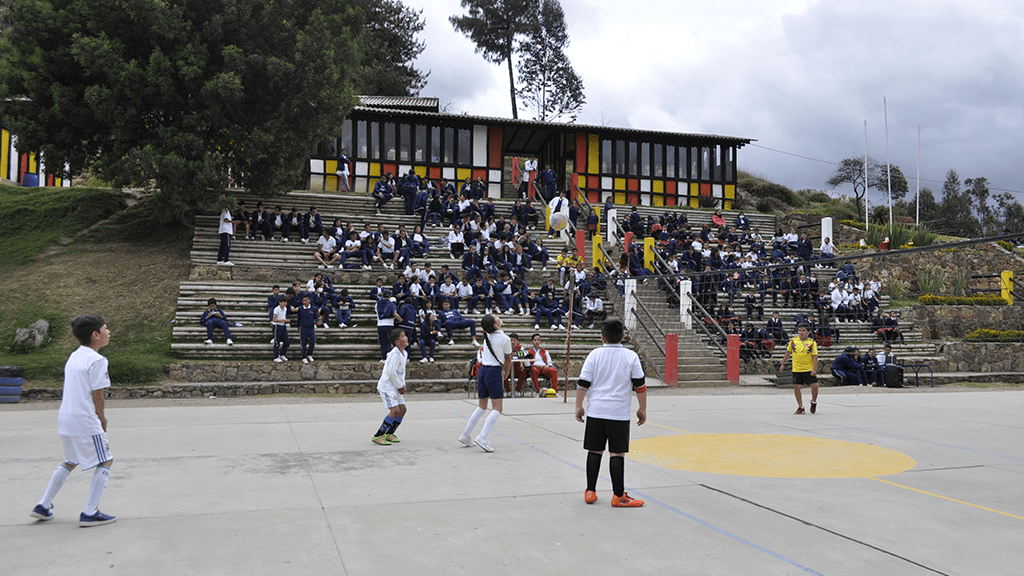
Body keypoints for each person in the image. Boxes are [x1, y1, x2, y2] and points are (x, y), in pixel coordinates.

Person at [30, 314, 116, 526]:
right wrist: (102, 419)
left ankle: (43, 505)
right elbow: (98, 396)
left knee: (70, 460)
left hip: (66, 418)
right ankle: (90, 512)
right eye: (106, 329)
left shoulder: (75, 355)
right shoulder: (98, 360)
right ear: (95, 335)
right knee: (105, 460)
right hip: (84, 419)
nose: (109, 332)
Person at [575, 318, 647, 507]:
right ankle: (619, 496)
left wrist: (578, 406)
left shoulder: (594, 355)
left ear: (602, 337)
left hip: (596, 411)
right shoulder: (631, 357)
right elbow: (640, 386)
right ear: (623, 336)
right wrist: (642, 408)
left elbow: (583, 383)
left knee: (594, 451)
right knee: (617, 453)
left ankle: (590, 491)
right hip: (618, 414)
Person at [459, 314, 512, 453]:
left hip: (483, 370)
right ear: (495, 325)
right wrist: (506, 373)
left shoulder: (487, 335)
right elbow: (508, 359)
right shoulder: (505, 338)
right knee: (497, 407)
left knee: (482, 406)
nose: (499, 318)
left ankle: (466, 434)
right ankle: (482, 437)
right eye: (496, 318)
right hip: (493, 371)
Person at [373, 329, 409, 445]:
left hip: (396, 386)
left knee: (402, 410)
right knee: (395, 410)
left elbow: (401, 372)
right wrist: (400, 386)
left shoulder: (405, 353)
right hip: (387, 387)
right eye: (403, 336)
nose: (406, 338)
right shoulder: (394, 355)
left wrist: (402, 385)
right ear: (397, 342)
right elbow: (391, 372)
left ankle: (389, 433)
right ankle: (378, 435)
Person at [779, 322, 818, 414]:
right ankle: (800, 407)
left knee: (815, 386)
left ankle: (814, 401)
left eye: (803, 330)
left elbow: (815, 357)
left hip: (808, 368)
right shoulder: (793, 341)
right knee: (796, 387)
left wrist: (814, 369)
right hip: (797, 368)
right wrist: (783, 364)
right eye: (800, 330)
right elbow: (788, 353)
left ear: (808, 332)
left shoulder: (812, 342)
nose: (801, 332)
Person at [271, 296, 290, 362]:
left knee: (286, 342)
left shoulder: (285, 308)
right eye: (283, 302)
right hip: (277, 326)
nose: (285, 304)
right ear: (280, 302)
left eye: (286, 302)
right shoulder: (277, 309)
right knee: (277, 342)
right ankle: (276, 357)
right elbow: (274, 319)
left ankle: (282, 354)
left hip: (283, 326)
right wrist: (284, 320)